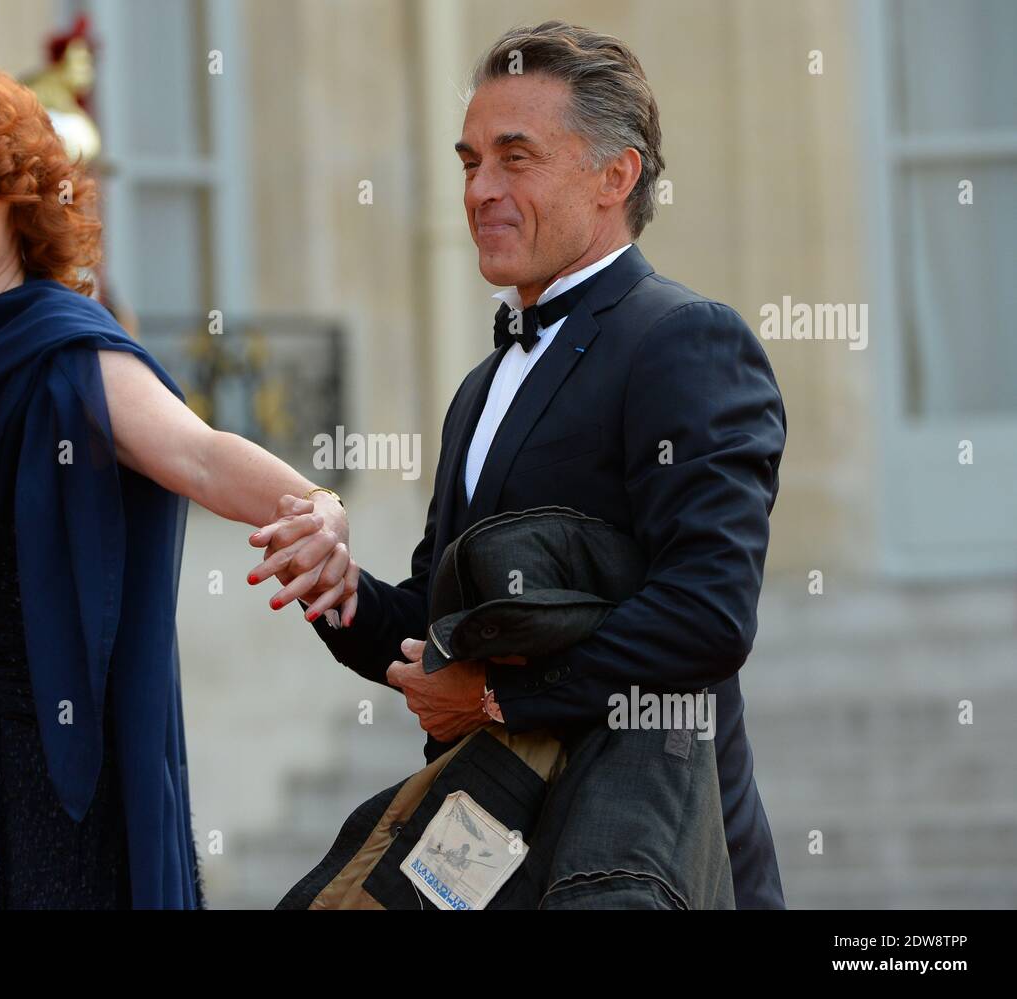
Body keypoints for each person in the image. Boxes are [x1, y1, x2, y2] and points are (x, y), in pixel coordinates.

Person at [251, 22, 788, 909]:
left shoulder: (684, 339)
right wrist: (332, 584)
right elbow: (438, 630)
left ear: (617, 174)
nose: (480, 191)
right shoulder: (480, 386)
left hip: (652, 855)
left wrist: (498, 698)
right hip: (498, 859)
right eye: (469, 163)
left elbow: (708, 613)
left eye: (515, 158)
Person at [0, 59, 357, 909]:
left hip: (42, 796)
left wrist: (318, 507)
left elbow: (198, 454)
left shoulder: (63, 347)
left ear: (18, 202)